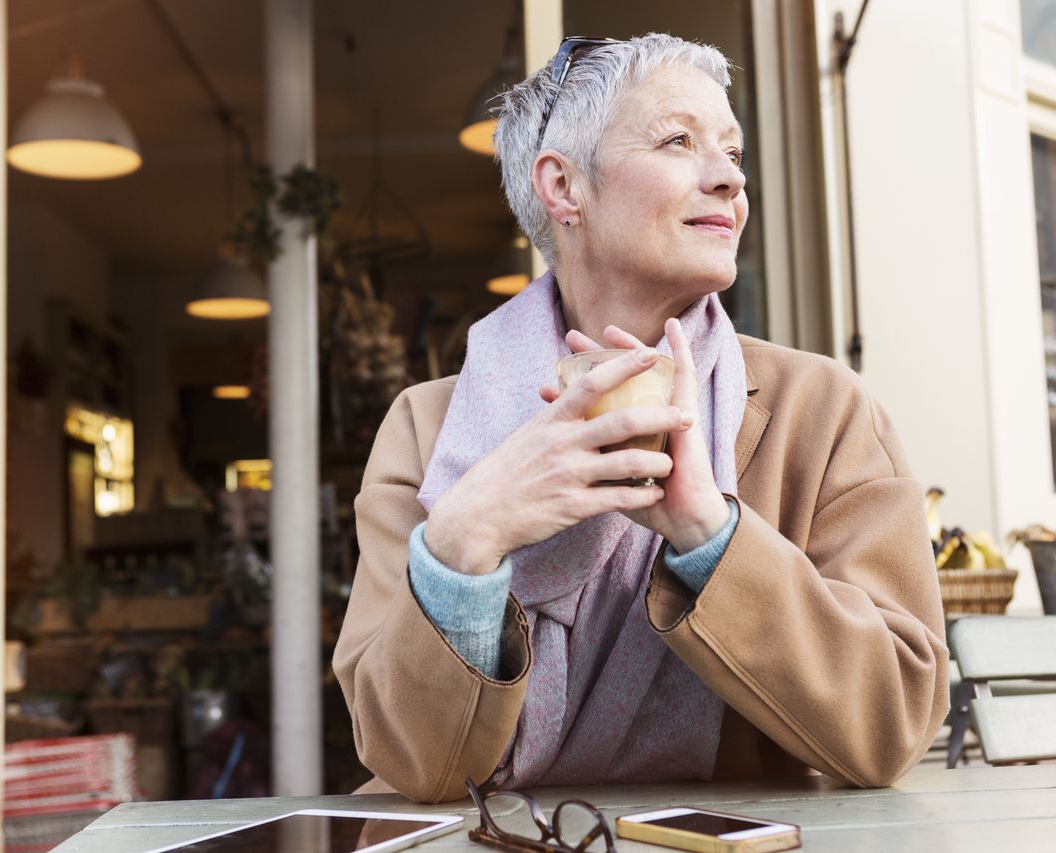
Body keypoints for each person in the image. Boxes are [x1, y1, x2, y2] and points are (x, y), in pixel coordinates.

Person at [333, 33, 949, 803]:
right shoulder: (429, 429)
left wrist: (709, 535)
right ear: (564, 189)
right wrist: (464, 542)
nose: (728, 178)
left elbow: (891, 727)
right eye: (679, 141)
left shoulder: (821, 412)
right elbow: (409, 761)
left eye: (734, 151)